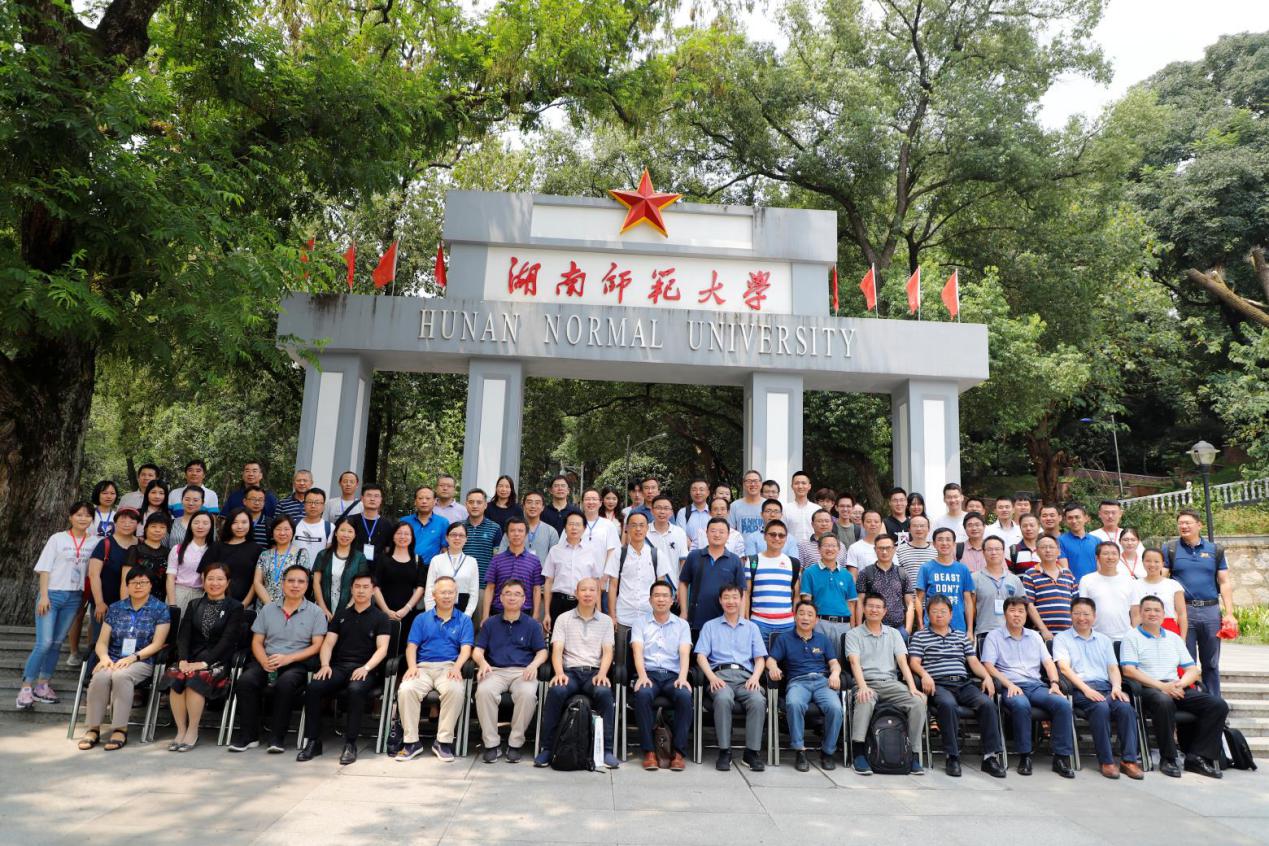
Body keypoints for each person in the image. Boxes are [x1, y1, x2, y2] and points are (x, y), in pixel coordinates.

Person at [1120, 595, 1230, 778]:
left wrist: (1179, 684)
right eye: (1147, 610)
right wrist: (1163, 687)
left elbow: (1192, 670)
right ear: (1140, 613)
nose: (1152, 614)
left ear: (1164, 614)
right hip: (1149, 688)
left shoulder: (1173, 638)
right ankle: (1169, 758)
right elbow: (1129, 671)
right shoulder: (1132, 637)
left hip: (1176, 686)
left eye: (1157, 610)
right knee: (1164, 702)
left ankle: (1197, 757)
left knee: (1217, 705)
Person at [229, 565, 327, 753]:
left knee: (285, 684)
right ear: (283, 584)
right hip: (267, 660)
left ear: (307, 585)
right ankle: (248, 737)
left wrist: (288, 659)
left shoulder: (316, 613)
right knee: (246, 681)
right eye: (291, 581)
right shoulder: (268, 609)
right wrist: (264, 661)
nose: (295, 585)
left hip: (296, 663)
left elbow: (316, 646)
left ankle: (277, 738)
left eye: (301, 581)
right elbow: (257, 641)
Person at [298, 572, 391, 764]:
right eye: (357, 586)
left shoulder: (381, 618)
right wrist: (325, 665)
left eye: (366, 587)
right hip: (339, 667)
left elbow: (382, 649)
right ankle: (313, 741)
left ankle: (350, 743)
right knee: (314, 687)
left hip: (366, 669)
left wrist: (366, 668)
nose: (361, 591)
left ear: (373, 590)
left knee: (355, 690)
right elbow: (328, 643)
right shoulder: (341, 615)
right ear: (351, 589)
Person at [908, 595, 1006, 778]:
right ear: (928, 614)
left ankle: (990, 757)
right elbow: (914, 662)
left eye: (943, 611)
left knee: (987, 704)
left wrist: (987, 677)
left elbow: (973, 662)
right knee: (948, 705)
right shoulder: (920, 636)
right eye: (934, 612)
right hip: (938, 684)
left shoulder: (960, 636)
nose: (939, 615)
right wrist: (924, 675)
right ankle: (952, 756)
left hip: (963, 683)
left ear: (951, 614)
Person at [76, 569, 170, 752]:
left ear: (151, 585)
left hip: (142, 661)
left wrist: (133, 657)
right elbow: (102, 641)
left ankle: (120, 729)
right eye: (133, 582)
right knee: (100, 677)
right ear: (127, 586)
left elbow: (158, 644)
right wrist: (104, 658)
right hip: (113, 659)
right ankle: (93, 728)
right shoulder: (116, 608)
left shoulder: (160, 609)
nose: (138, 586)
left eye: (143, 582)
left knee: (121, 676)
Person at [982, 597, 1075, 777]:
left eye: (1021, 611)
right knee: (1021, 704)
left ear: (1026, 615)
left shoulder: (1035, 636)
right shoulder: (994, 636)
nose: (1016, 615)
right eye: (1012, 611)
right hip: (1011, 685)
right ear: (1005, 613)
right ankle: (1025, 756)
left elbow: (1048, 663)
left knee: (1063, 704)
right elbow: (988, 665)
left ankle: (1061, 758)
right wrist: (1009, 684)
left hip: (1036, 685)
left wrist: (1054, 683)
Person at [533, 577, 620, 769]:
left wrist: (603, 674)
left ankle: (606, 750)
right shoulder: (563, 619)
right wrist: (559, 673)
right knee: (556, 691)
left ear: (598, 594)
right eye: (583, 590)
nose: (588, 594)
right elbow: (557, 650)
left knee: (604, 693)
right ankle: (547, 748)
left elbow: (608, 652)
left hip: (594, 673)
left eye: (592, 590)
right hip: (570, 672)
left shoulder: (606, 621)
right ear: (576, 593)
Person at [1054, 598, 1143, 779]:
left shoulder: (1104, 640)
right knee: (1100, 708)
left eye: (1086, 614)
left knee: (1125, 708)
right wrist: (1086, 689)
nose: (1082, 618)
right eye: (1077, 613)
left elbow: (1113, 668)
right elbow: (1064, 669)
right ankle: (1106, 761)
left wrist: (1117, 687)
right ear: (1071, 615)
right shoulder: (1061, 638)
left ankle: (1129, 761)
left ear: (1094, 616)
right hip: (1079, 689)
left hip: (1106, 688)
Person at [17, 503, 95, 711]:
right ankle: (26, 687)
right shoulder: (58, 538)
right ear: (70, 517)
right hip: (52, 595)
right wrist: (44, 596)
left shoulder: (95, 542)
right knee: (44, 643)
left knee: (57, 642)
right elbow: (44, 569)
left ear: (92, 520)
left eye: (87, 516)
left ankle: (43, 685)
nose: (83, 519)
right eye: (78, 515)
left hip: (74, 597)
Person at [394, 576, 474, 762]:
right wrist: (412, 667)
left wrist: (457, 667)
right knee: (406, 689)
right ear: (434, 595)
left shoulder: (464, 620)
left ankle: (443, 742)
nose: (447, 596)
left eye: (450, 592)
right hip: (422, 667)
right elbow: (411, 647)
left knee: (455, 690)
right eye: (443, 592)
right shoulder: (421, 619)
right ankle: (411, 742)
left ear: (456, 595)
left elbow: (466, 649)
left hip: (449, 667)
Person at [844, 594, 926, 775]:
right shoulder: (853, 634)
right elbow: (854, 663)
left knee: (918, 702)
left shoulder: (894, 634)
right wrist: (862, 686)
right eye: (870, 606)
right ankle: (858, 753)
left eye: (878, 607)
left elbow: (903, 663)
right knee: (865, 699)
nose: (874, 610)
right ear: (864, 609)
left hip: (891, 683)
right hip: (867, 682)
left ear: (884, 611)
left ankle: (913, 754)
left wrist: (913, 688)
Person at [167, 562, 243, 751]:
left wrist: (204, 663)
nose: (214, 583)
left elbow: (227, 641)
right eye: (210, 578)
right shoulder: (194, 604)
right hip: (191, 658)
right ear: (203, 580)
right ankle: (181, 730)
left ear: (228, 582)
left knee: (195, 679)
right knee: (176, 675)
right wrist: (183, 659)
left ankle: (193, 730)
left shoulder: (235, 607)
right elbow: (184, 635)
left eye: (220, 579)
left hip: (218, 660)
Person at [473, 579, 548, 763]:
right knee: (483, 691)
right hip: (495, 671)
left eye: (517, 594)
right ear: (500, 598)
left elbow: (542, 652)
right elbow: (477, 650)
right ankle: (491, 744)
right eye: (508, 593)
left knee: (527, 694)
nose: (512, 598)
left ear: (524, 600)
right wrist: (482, 663)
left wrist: (533, 665)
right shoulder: (490, 623)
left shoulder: (532, 625)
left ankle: (515, 743)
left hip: (523, 672)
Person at [694, 583, 767, 771]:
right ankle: (724, 750)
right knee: (723, 698)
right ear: (720, 600)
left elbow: (760, 659)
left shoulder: (752, 627)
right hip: (720, 676)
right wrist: (711, 677)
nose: (731, 601)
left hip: (745, 678)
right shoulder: (710, 626)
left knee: (758, 700)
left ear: (742, 599)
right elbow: (701, 656)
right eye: (726, 597)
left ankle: (751, 753)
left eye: (735, 597)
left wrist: (755, 678)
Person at [1166, 508, 1236, 698]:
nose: (1184, 526)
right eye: (1180, 523)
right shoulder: (1170, 549)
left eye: (1188, 522)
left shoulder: (1215, 550)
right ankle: (1191, 701)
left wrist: (1229, 613)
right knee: (1186, 661)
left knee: (1211, 662)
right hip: (1184, 611)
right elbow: (1163, 581)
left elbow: (1224, 582)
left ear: (1199, 525)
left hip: (1210, 610)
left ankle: (1214, 702)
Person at [769, 601, 845, 772]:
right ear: (795, 617)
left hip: (822, 681)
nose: (805, 617)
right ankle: (800, 750)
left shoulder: (823, 639)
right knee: (794, 704)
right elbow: (771, 659)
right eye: (801, 613)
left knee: (835, 708)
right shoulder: (784, 638)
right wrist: (773, 667)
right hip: (798, 682)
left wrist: (834, 674)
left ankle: (827, 751)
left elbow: (834, 663)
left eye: (810, 614)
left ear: (816, 620)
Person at [631, 582, 694, 771]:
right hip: (649, 674)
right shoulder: (640, 623)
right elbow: (637, 651)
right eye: (657, 595)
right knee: (642, 694)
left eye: (665, 595)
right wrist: (642, 676)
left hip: (673, 676)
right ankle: (649, 751)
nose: (661, 599)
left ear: (672, 600)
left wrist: (683, 677)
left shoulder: (682, 625)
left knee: (684, 696)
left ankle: (678, 753)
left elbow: (684, 653)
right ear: (650, 600)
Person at [84, 507, 140, 664]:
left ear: (137, 524)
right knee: (100, 641)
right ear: (115, 523)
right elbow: (94, 574)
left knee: (124, 643)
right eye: (123, 520)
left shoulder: (140, 544)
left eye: (132, 520)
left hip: (131, 605)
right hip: (105, 604)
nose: (127, 524)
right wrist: (99, 603)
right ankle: (91, 673)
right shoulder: (105, 544)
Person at [679, 517, 748, 633]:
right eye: (713, 531)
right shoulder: (694, 556)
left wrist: (740, 618)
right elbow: (683, 583)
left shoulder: (735, 560)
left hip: (726, 620)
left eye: (721, 532)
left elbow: (742, 590)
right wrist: (684, 612)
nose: (717, 535)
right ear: (706, 533)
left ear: (728, 535)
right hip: (697, 619)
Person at [607, 511, 671, 627]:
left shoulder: (657, 554)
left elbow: (661, 588)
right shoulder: (618, 554)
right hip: (623, 617)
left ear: (647, 528)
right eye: (634, 525)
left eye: (641, 525)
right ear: (627, 528)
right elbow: (613, 585)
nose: (638, 529)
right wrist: (612, 615)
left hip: (650, 617)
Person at [542, 512, 603, 633]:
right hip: (559, 603)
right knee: (558, 640)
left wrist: (598, 609)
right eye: (570, 524)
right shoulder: (555, 550)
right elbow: (548, 582)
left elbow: (596, 582)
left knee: (582, 640)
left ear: (584, 528)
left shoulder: (592, 551)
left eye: (578, 524)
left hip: (584, 602)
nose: (574, 527)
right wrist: (547, 613)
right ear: (565, 528)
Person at [373, 521, 427, 657]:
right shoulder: (383, 559)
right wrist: (386, 610)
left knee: (405, 648)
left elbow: (420, 588)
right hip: (383, 612)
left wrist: (406, 609)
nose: (403, 537)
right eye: (399, 533)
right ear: (393, 536)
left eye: (407, 534)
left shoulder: (417, 560)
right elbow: (375, 586)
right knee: (383, 648)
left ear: (412, 538)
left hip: (408, 613)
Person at [746, 520, 801, 639]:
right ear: (765, 536)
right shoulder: (752, 561)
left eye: (781, 535)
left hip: (787, 625)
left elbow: (796, 596)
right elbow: (746, 594)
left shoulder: (793, 563)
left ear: (786, 538)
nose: (777, 538)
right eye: (772, 534)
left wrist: (796, 620)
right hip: (759, 624)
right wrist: (746, 621)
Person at [916, 528, 975, 636]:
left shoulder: (963, 569)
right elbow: (919, 599)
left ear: (954, 544)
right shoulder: (926, 568)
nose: (944, 543)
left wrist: (970, 630)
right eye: (940, 540)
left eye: (948, 539)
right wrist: (920, 625)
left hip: (958, 626)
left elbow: (968, 601)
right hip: (932, 626)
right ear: (934, 544)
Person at [800, 534, 858, 643]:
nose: (830, 549)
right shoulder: (809, 572)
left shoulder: (847, 575)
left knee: (842, 654)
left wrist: (852, 628)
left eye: (833, 546)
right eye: (826, 545)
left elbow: (851, 604)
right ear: (819, 549)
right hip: (819, 623)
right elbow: (806, 601)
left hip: (843, 625)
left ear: (839, 549)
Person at [484, 517, 544, 622]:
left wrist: (535, 615)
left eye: (520, 531)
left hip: (525, 612)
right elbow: (489, 588)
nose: (516, 534)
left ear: (526, 534)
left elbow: (536, 589)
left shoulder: (534, 561)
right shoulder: (496, 559)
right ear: (507, 534)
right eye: (512, 531)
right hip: (498, 611)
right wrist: (485, 616)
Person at [857, 534, 915, 636]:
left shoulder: (902, 573)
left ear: (894, 549)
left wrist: (908, 629)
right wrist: (858, 627)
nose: (884, 552)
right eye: (881, 548)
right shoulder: (866, 573)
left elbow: (909, 603)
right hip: (872, 628)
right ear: (875, 550)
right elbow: (860, 601)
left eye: (888, 548)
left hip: (898, 629)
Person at [311, 518, 369, 621]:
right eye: (342, 530)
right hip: (322, 610)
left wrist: (348, 608)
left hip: (350, 612)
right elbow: (316, 583)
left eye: (350, 531)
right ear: (336, 533)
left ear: (355, 535)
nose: (345, 535)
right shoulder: (323, 555)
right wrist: (323, 608)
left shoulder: (360, 557)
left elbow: (360, 585)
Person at [1078, 541, 1137, 641]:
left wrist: (1133, 635)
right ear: (1097, 557)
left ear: (1119, 557)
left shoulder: (1129, 580)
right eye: (1105, 554)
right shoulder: (1086, 580)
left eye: (1114, 554)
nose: (1110, 557)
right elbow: (1083, 610)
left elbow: (1136, 613)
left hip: (1125, 638)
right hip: (1096, 637)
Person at [1022, 535, 1077, 640]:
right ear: (1037, 552)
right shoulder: (1030, 574)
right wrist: (1043, 630)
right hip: (1043, 635)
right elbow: (1029, 604)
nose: (1048, 550)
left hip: (1069, 634)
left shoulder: (1068, 574)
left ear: (1059, 551)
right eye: (1043, 547)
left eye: (1051, 547)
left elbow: (1076, 603)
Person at [208, 507, 261, 605]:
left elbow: (257, 581)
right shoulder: (217, 546)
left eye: (244, 522)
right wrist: (213, 597)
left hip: (245, 604)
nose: (240, 526)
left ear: (250, 524)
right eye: (235, 522)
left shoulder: (256, 549)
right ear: (229, 524)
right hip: (215, 601)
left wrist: (243, 604)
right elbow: (205, 574)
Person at [426, 522, 480, 616]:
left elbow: (474, 592)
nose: (457, 538)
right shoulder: (436, 560)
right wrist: (431, 614)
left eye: (461, 535)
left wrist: (467, 615)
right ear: (447, 538)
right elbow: (430, 589)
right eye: (453, 535)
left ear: (466, 539)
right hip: (439, 609)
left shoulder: (472, 561)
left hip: (463, 609)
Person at [254, 516, 309, 607]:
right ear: (272, 532)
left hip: (291, 607)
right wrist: (270, 606)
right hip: (265, 607)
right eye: (278, 529)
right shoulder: (264, 555)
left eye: (286, 529)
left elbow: (302, 582)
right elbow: (257, 582)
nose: (282, 533)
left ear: (293, 531)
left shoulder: (301, 554)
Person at [1130, 548, 1187, 637]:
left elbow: (1182, 614)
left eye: (1156, 561)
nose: (1152, 564)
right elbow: (1135, 616)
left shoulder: (1174, 585)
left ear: (1162, 564)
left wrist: (1182, 639)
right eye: (1148, 561)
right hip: (1145, 631)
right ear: (1143, 562)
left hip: (1170, 631)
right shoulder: (1135, 585)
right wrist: (1139, 637)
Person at [971, 536, 1023, 634]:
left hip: (1011, 632)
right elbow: (971, 609)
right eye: (989, 549)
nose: (993, 552)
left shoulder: (1014, 579)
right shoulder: (974, 578)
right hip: (984, 631)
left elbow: (1021, 608)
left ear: (1003, 552)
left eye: (997, 549)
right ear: (983, 552)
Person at [167, 509, 213, 613]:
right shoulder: (177, 549)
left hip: (203, 596)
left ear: (211, 526)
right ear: (190, 525)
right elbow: (170, 578)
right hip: (178, 594)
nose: (200, 526)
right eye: (196, 522)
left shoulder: (214, 550)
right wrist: (172, 604)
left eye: (205, 523)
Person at [122, 513, 171, 603]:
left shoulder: (169, 553)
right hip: (136, 600)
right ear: (146, 528)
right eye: (153, 526)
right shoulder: (135, 550)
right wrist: (124, 606)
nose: (157, 530)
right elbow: (125, 582)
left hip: (160, 602)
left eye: (162, 527)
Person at [500, 491, 559, 563]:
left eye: (537, 503)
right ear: (523, 506)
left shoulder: (551, 531)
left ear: (543, 507)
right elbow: (501, 556)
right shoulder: (512, 529)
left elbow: (555, 559)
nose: (533, 506)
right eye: (529, 502)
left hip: (541, 570)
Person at [462, 488, 505, 584]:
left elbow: (497, 559)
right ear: (466, 504)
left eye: (479, 502)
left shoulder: (495, 528)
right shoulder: (458, 528)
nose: (475, 505)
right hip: (460, 584)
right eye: (471, 502)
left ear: (485, 505)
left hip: (484, 584)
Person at [646, 495, 689, 587]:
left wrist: (680, 586)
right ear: (652, 511)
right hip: (647, 586)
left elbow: (683, 562)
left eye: (666, 508)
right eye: (658, 508)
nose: (662, 511)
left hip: (673, 585)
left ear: (671, 512)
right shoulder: (644, 531)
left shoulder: (679, 532)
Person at [577, 488, 618, 581]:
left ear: (600, 503)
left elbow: (612, 553)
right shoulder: (574, 523)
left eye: (594, 499)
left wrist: (605, 577)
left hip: (601, 579)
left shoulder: (608, 525)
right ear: (582, 503)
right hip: (577, 579)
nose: (591, 502)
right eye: (587, 499)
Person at [895, 514, 936, 595]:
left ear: (928, 529)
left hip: (932, 600)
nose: (919, 529)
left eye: (922, 526)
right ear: (909, 529)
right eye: (915, 526)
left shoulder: (936, 551)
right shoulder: (899, 550)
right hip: (907, 599)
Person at [352, 484, 394, 562]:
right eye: (369, 495)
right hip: (353, 565)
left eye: (376, 496)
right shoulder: (351, 521)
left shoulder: (387, 524)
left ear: (381, 500)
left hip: (378, 567)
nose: (372, 499)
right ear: (362, 498)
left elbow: (388, 549)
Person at [292, 487, 333, 564]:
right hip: (295, 569)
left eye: (317, 503)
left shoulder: (330, 527)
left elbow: (329, 553)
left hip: (318, 569)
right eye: (310, 502)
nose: (313, 506)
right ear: (304, 504)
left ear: (323, 506)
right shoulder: (293, 524)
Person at [1059, 504, 1099, 581]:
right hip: (1072, 585)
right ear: (1065, 521)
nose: (1074, 521)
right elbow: (1064, 570)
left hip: (1094, 584)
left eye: (1077, 517)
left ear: (1086, 518)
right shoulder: (1060, 541)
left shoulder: (1097, 541)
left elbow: (1101, 566)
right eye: (1070, 518)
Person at [783, 471, 818, 544]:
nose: (800, 486)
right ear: (792, 486)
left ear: (809, 486)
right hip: (792, 549)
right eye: (797, 483)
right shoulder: (785, 509)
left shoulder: (817, 509)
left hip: (814, 549)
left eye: (803, 483)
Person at [729, 470, 766, 537]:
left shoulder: (768, 505)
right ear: (743, 485)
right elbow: (730, 531)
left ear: (761, 484)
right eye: (749, 481)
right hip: (742, 544)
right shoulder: (734, 506)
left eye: (756, 481)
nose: (753, 484)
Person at [677, 478, 712, 547]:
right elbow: (681, 535)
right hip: (689, 552)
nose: (698, 492)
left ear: (708, 493)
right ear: (690, 492)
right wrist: (694, 550)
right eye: (694, 490)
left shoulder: (713, 512)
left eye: (701, 490)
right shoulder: (683, 512)